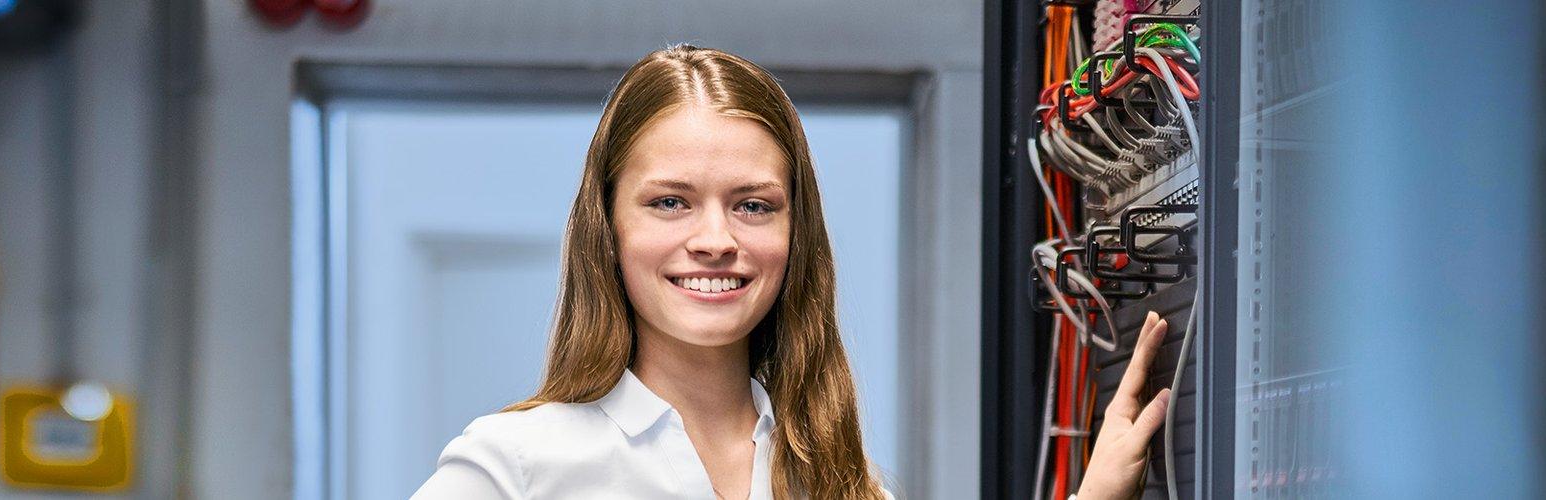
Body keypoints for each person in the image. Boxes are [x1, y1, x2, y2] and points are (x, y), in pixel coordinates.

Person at [412, 44, 1171, 500]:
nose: (715, 240)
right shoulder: (518, 466)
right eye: (670, 202)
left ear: (794, 232)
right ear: (608, 231)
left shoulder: (837, 479)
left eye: (753, 205)